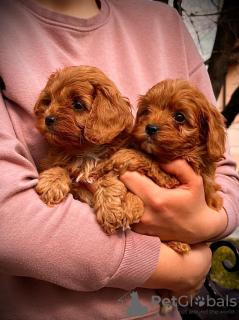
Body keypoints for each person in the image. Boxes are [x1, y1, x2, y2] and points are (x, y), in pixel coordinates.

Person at [0, 0, 238, 319]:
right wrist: (173, 268)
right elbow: (10, 223)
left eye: (77, 106)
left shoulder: (162, 22)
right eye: (46, 104)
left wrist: (206, 224)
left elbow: (223, 171)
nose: (51, 115)